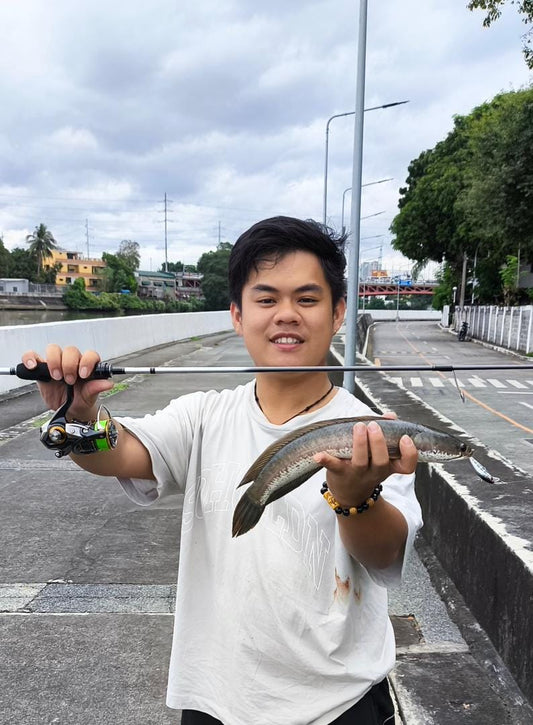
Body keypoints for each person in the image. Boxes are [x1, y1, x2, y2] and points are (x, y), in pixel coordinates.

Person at [22, 216, 422, 725]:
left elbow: (387, 556)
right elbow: (118, 452)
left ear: (338, 311)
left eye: (306, 298)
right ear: (236, 314)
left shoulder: (375, 433)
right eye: (265, 299)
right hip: (214, 700)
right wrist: (79, 418)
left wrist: (356, 499)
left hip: (341, 705)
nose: (286, 315)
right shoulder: (203, 416)